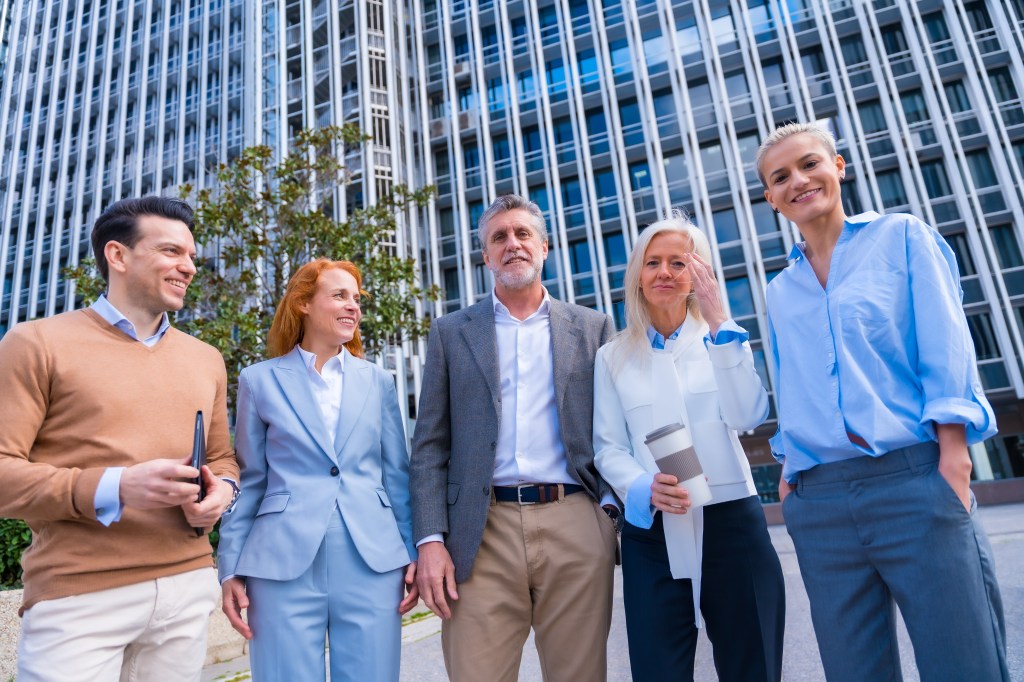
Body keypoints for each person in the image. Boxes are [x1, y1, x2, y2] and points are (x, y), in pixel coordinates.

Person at [759, 122, 1008, 681]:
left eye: (809, 164)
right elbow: (793, 385)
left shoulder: (902, 238)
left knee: (964, 665)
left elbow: (944, 346)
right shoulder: (780, 290)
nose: (798, 181)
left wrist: (952, 457)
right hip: (819, 501)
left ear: (839, 167)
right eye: (781, 178)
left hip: (915, 482)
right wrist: (791, 473)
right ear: (771, 198)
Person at [0, 196, 239, 681]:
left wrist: (223, 495)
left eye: (191, 256)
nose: (188, 267)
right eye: (172, 251)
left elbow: (222, 457)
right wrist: (118, 486)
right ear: (118, 255)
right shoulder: (35, 343)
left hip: (187, 588)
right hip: (78, 598)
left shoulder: (206, 358)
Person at [410, 194, 619, 681]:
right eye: (499, 237)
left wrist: (608, 514)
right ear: (486, 257)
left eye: (523, 234)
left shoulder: (593, 328)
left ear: (544, 247)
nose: (512, 244)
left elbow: (615, 430)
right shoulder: (450, 332)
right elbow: (429, 446)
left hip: (576, 523)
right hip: (479, 532)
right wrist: (430, 540)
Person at [592, 215, 784, 681]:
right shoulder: (613, 355)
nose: (664, 272)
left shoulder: (723, 338)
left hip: (731, 522)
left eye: (678, 262)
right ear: (637, 274)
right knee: (659, 670)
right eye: (652, 262)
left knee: (752, 664)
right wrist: (642, 486)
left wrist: (720, 322)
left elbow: (747, 415)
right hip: (653, 530)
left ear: (697, 272)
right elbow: (608, 446)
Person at [217, 258, 417, 681]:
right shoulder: (259, 380)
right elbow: (251, 480)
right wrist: (231, 565)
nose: (353, 307)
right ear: (304, 303)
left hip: (372, 557)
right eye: (340, 295)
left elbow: (397, 475)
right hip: (279, 560)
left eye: (357, 299)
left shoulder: (378, 381)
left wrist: (412, 552)